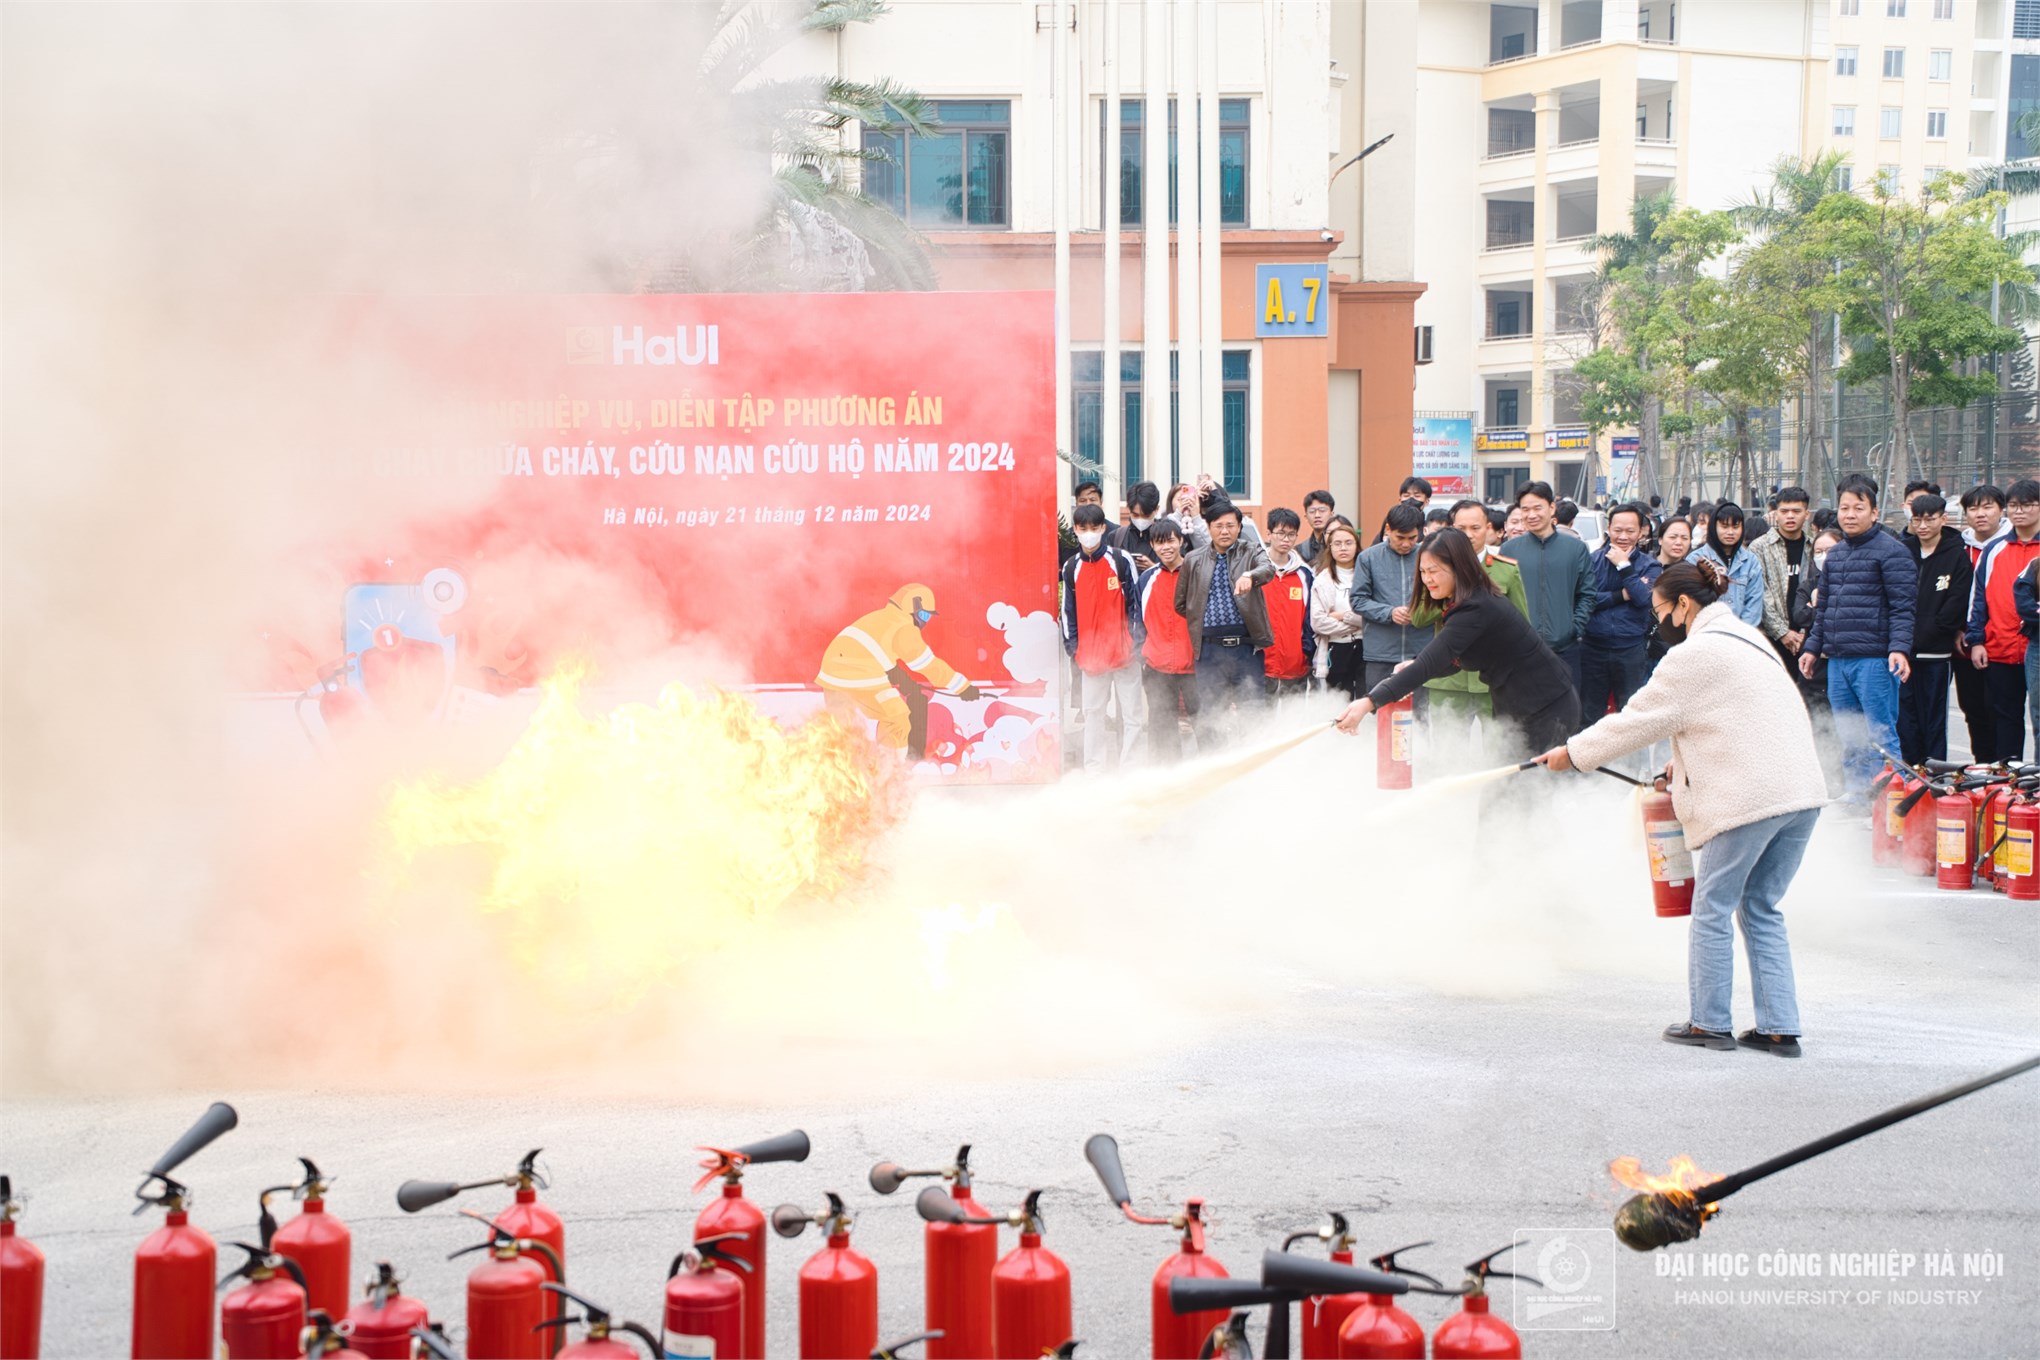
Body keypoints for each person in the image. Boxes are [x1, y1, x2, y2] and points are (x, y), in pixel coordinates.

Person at [1540, 559, 1824, 1056]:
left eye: (1660, 611)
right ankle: (1780, 1027)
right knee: (1761, 907)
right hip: (1800, 792)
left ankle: (1709, 1022)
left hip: (1749, 799)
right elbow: (1733, 716)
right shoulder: (1748, 637)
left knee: (1712, 907)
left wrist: (1575, 753)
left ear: (1685, 606)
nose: (1657, 623)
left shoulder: (1694, 655)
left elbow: (1637, 721)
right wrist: (1681, 762)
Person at [1335, 528, 1580, 755]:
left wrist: (1369, 702)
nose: (1427, 579)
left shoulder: (1475, 608)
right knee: (1507, 793)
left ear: (1458, 568)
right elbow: (1451, 661)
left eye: (1433, 571)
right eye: (1422, 571)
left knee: (1532, 790)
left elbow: (1429, 664)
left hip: (1546, 705)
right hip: (1519, 706)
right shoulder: (1467, 603)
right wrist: (1414, 664)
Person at [1801, 474, 1915, 806]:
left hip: (1875, 658)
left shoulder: (1893, 553)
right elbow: (1824, 609)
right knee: (1849, 732)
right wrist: (1812, 647)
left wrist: (1899, 649)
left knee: (1880, 732)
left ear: (1875, 512)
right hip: (1838, 659)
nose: (1849, 514)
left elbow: (1903, 608)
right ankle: (1858, 794)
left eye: (1858, 508)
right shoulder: (1835, 556)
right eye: (1844, 508)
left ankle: (1890, 800)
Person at [816, 583, 980, 760]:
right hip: (859, 676)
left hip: (831, 675)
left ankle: (837, 768)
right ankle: (890, 771)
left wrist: (902, 678)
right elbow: (927, 665)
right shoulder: (904, 627)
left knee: (842, 728)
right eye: (924, 615)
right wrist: (963, 687)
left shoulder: (881, 618)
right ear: (913, 608)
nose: (925, 621)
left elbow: (877, 653)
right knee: (897, 716)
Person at [1408, 499, 1531, 726]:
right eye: (1460, 529)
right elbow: (1418, 618)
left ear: (1489, 529)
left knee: (1497, 749)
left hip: (1492, 680)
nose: (1469, 535)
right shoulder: (1435, 568)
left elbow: (1522, 628)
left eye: (1475, 528)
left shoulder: (1506, 570)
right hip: (1449, 680)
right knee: (1449, 750)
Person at [1174, 497, 1276, 741]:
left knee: (1253, 712)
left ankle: (1253, 768)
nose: (1225, 531)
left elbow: (1268, 568)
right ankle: (1215, 770)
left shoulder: (1250, 551)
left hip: (1246, 648)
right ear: (1208, 527)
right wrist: (1204, 619)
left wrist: (1250, 576)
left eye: (1230, 525)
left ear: (1239, 527)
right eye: (1218, 525)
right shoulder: (1193, 559)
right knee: (1210, 714)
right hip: (1209, 651)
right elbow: (1180, 603)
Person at [1061, 503, 1144, 772]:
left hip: (1124, 655)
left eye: (1093, 528)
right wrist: (1075, 650)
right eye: (1082, 528)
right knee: (1093, 716)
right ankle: (1094, 771)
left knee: (1132, 715)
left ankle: (1129, 768)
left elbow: (1135, 604)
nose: (1088, 533)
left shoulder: (1121, 560)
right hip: (1091, 658)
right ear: (1075, 530)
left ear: (1102, 528)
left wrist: (1133, 644)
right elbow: (1067, 613)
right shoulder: (1071, 567)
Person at [1965, 478, 2040, 764]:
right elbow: (1978, 599)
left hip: (2035, 646)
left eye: (2028, 505)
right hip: (2000, 648)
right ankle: (2009, 778)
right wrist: (1976, 640)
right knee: (2004, 717)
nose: (2019, 511)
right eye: (2014, 505)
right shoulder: (1994, 550)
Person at [1896, 494, 1972, 765]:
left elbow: (1955, 605)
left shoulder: (1957, 556)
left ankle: (1936, 777)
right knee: (1905, 720)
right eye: (1917, 520)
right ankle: (1909, 776)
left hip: (1936, 656)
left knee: (1934, 721)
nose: (1923, 526)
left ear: (1943, 519)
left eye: (1929, 519)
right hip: (1903, 654)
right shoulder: (1902, 550)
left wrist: (1931, 634)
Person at [1502, 480, 1595, 691]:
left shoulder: (1576, 548)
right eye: (1525, 509)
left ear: (1551, 508)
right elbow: (1500, 599)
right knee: (1523, 717)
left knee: (1567, 714)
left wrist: (1574, 628)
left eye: (1537, 508)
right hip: (1521, 651)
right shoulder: (1508, 550)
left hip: (1565, 649)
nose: (1531, 515)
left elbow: (1587, 594)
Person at [1580, 502, 1663, 717]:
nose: (1623, 536)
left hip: (1630, 649)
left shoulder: (1650, 565)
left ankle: (1634, 754)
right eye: (1618, 530)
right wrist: (1620, 596)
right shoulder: (1592, 560)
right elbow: (1586, 600)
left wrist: (1624, 566)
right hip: (1593, 648)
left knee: (1632, 716)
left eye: (1630, 531)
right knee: (1589, 714)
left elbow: (1643, 599)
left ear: (1641, 531)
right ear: (1609, 529)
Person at [1351, 501, 1434, 696]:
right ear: (1388, 529)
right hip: (1381, 654)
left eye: (1413, 538)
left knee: (1419, 715)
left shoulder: (1429, 556)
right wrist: (1389, 612)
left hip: (1420, 652)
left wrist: (1421, 612)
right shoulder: (1369, 558)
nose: (1406, 544)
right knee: (1382, 711)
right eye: (1400, 537)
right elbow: (1357, 600)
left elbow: (1442, 598)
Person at [1955, 484, 2010, 760]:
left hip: (2003, 644)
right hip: (1964, 644)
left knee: (2001, 710)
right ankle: (1983, 768)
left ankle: (2008, 773)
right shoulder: (1958, 547)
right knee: (1973, 710)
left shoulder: (2009, 545)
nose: (1980, 514)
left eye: (1987, 507)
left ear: (2001, 510)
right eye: (1973, 508)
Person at [1136, 519, 1198, 761]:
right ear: (1152, 545)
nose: (1166, 548)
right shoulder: (1146, 579)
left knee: (1205, 726)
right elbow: (1137, 621)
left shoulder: (1195, 574)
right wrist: (1143, 654)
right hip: (1158, 668)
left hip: (1194, 666)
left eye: (1171, 541)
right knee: (1161, 731)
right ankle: (1166, 781)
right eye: (1160, 543)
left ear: (1181, 541)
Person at [1751, 486, 1813, 670]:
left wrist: (1804, 632)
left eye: (1796, 511)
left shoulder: (1814, 546)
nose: (1790, 516)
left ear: (1807, 514)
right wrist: (1782, 632)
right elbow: (1760, 593)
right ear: (1775, 514)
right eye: (1784, 511)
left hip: (1808, 638)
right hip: (1772, 638)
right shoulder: (1760, 547)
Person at [1259, 508, 1317, 700]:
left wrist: (1305, 652)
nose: (1286, 539)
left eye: (1291, 534)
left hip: (1295, 663)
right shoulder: (1256, 570)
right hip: (1261, 663)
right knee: (1260, 722)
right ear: (1269, 534)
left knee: (1293, 721)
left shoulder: (1304, 575)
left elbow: (1309, 618)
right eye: (1281, 533)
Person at [1311, 522, 1367, 698]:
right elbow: (1319, 623)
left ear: (1357, 546)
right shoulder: (1322, 580)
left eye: (1349, 543)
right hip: (1336, 648)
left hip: (1366, 648)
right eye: (1337, 543)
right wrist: (1358, 624)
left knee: (1366, 698)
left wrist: (1343, 616)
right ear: (1329, 547)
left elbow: (1373, 616)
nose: (1343, 548)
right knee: (1339, 702)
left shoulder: (1368, 575)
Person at [1688, 501, 1764, 627]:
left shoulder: (1750, 562)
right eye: (1724, 526)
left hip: (1741, 636)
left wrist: (1740, 635)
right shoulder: (1695, 559)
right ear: (1714, 527)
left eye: (1735, 527)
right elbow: (1691, 602)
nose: (1730, 532)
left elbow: (1754, 605)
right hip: (1705, 633)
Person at [1110, 481, 1164, 572]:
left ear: (1156, 509)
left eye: (1146, 516)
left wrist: (1154, 568)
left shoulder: (1167, 537)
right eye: (1135, 515)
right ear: (1129, 510)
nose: (1140, 520)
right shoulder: (1116, 537)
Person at [1165, 481, 1214, 555]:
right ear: (1171, 503)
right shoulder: (1165, 522)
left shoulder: (1204, 523)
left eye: (1190, 499)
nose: (1186, 502)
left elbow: (1209, 548)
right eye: (1180, 499)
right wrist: (1178, 515)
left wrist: (1196, 517)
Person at [1300, 489, 1337, 565]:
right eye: (1312, 511)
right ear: (1306, 517)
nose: (1317, 515)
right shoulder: (1301, 550)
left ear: (1332, 514)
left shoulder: (1342, 545)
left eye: (1322, 510)